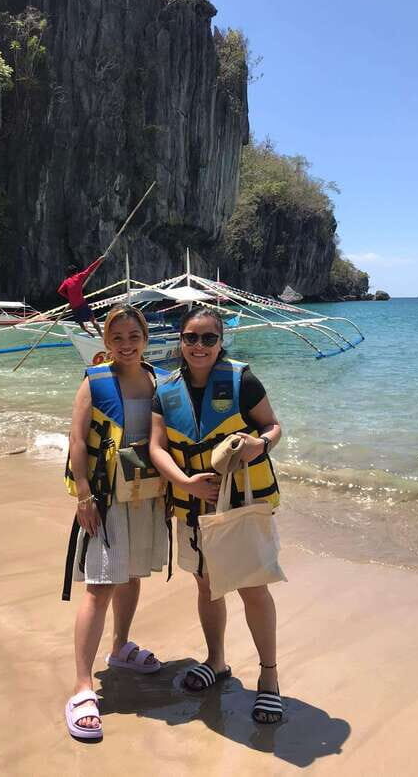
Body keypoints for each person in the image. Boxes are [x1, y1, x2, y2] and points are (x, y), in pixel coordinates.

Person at [149, 306, 285, 724]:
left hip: (240, 502)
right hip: (193, 504)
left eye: (209, 338)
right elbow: (156, 447)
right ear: (180, 341)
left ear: (221, 342)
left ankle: (269, 677)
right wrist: (185, 483)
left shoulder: (243, 381)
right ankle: (216, 661)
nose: (199, 346)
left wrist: (259, 445)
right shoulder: (165, 389)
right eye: (191, 337)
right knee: (207, 586)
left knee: (252, 587)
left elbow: (273, 426)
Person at [63, 305, 169, 741]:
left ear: (146, 338)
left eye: (134, 336)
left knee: (131, 575)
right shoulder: (95, 381)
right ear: (106, 342)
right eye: (118, 337)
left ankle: (121, 646)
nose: (126, 344)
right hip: (105, 497)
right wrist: (83, 495)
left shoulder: (158, 380)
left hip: (144, 493)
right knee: (100, 584)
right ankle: (82, 685)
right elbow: (77, 439)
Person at [57, 258, 105, 337]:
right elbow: (90, 269)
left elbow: (60, 291)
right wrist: (99, 260)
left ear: (69, 273)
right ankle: (101, 335)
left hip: (74, 306)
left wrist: (69, 297)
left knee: (81, 324)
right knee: (93, 320)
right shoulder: (79, 276)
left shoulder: (66, 281)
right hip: (82, 303)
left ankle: (89, 333)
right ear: (76, 271)